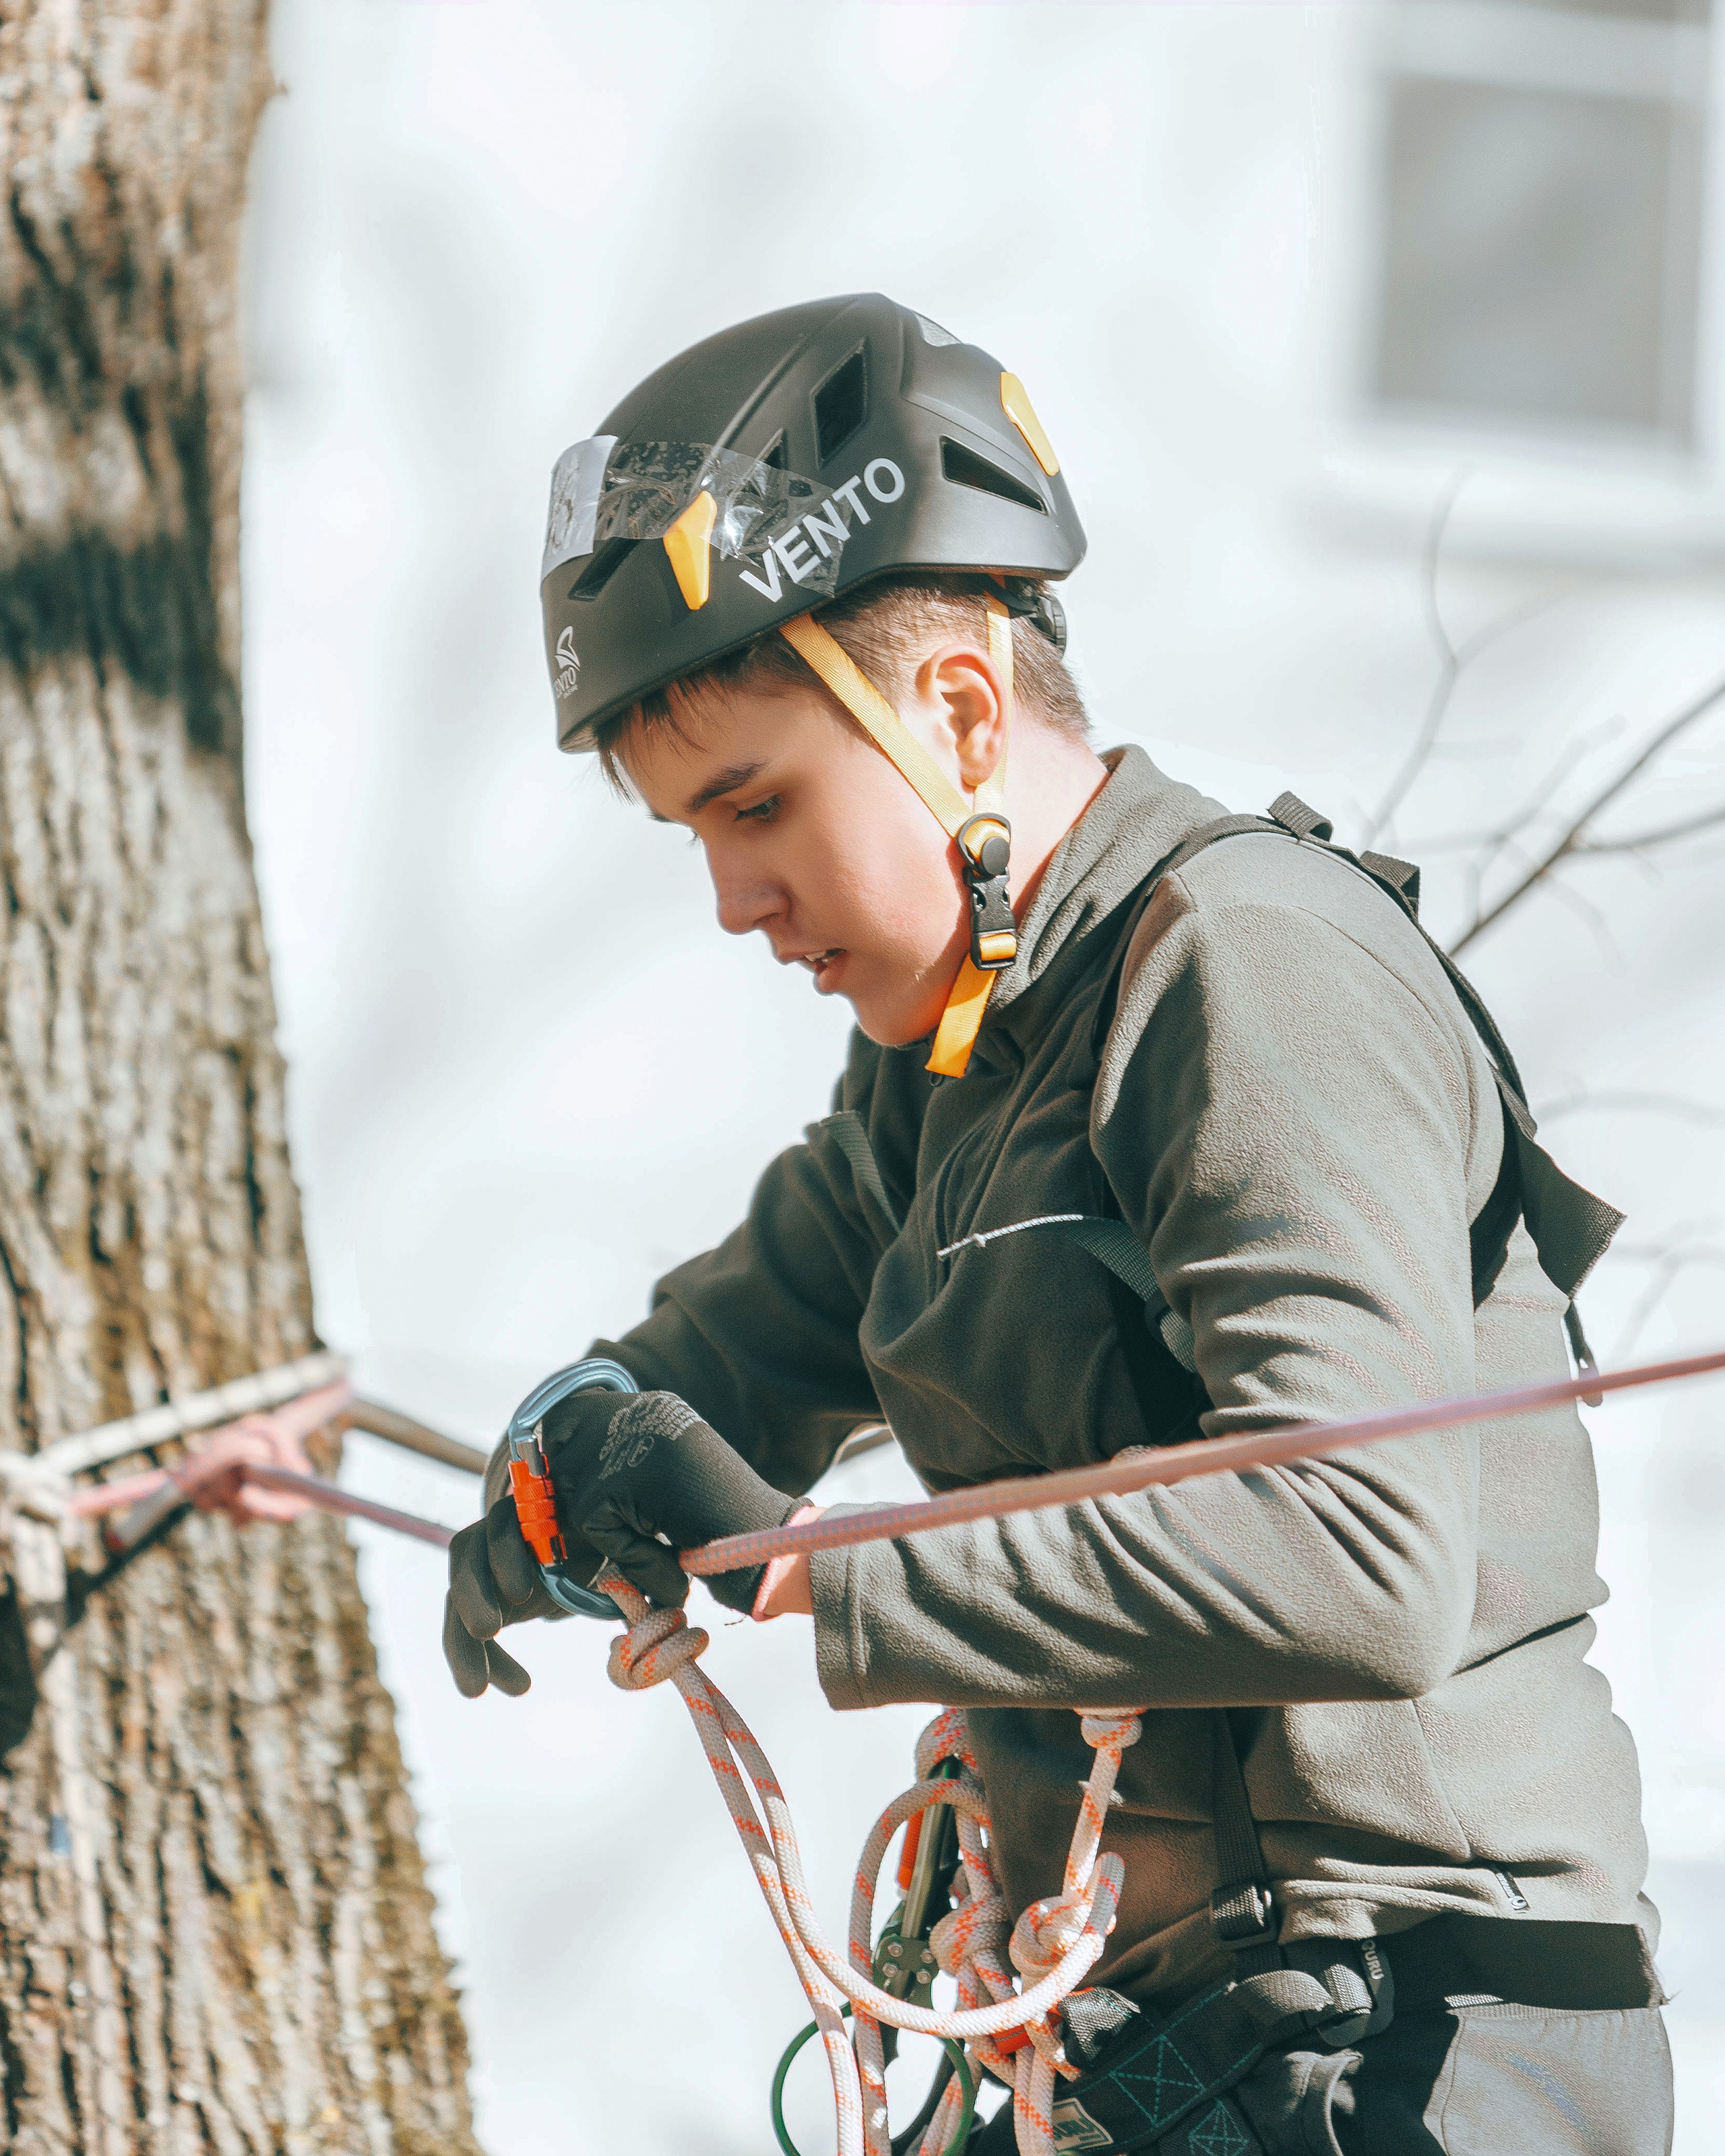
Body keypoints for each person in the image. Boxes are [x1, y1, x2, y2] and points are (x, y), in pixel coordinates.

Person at [443, 294, 1672, 2154]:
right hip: (1167, 2028)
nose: (732, 899)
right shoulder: (955, 1056)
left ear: (952, 709)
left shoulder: (1241, 969)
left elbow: (1361, 1552)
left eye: (757, 803)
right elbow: (737, 1354)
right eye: (691, 834)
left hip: (1414, 2035)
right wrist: (578, 1445)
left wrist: (821, 1574)